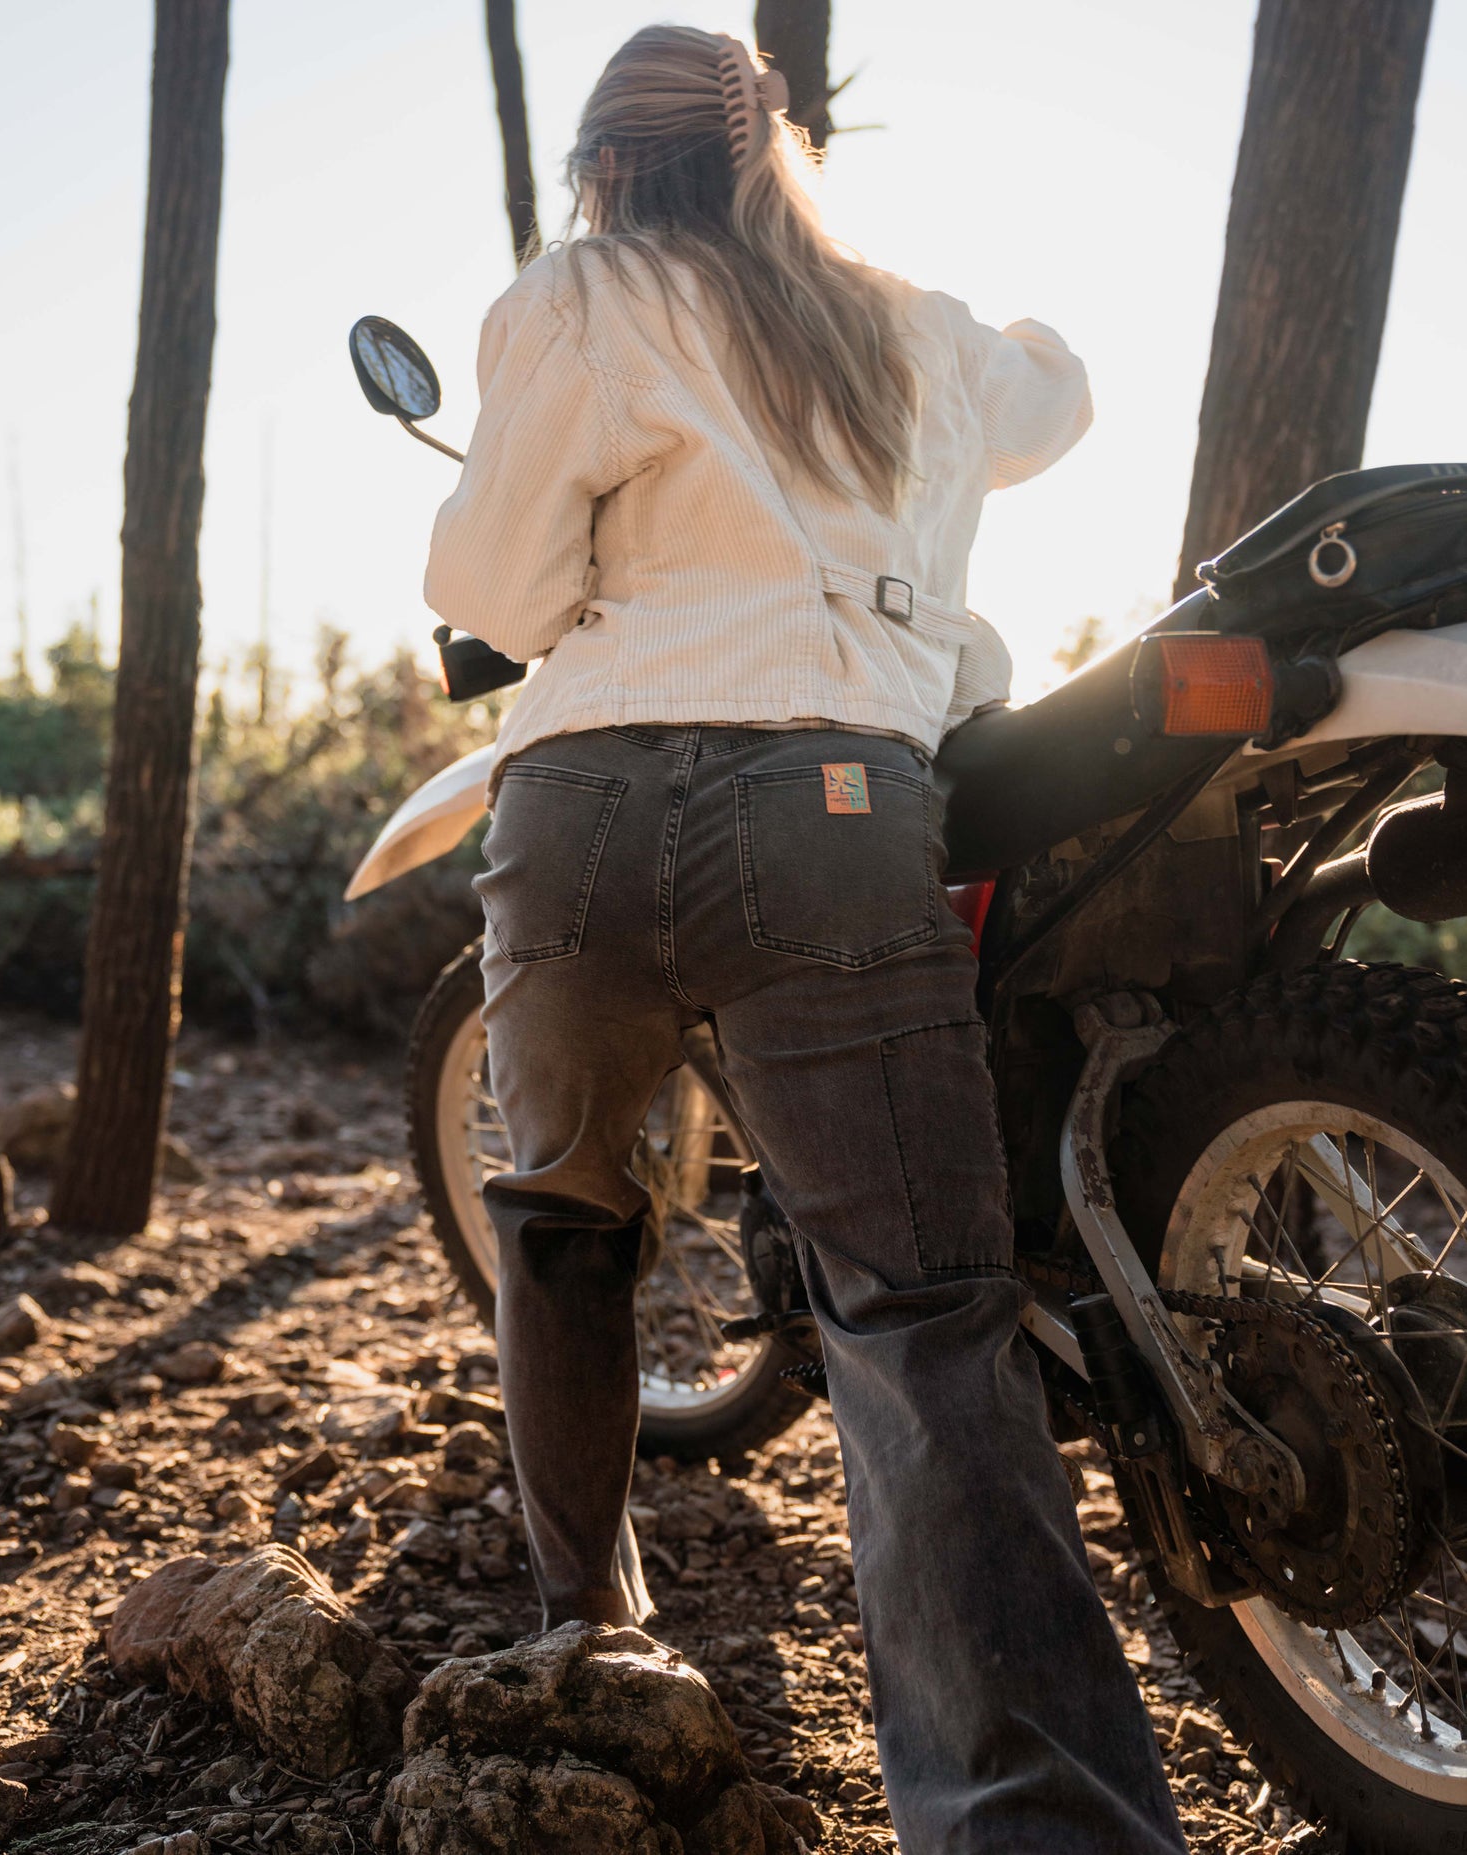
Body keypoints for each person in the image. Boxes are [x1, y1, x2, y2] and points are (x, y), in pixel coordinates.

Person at [424, 25, 1186, 1855]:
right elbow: (1062, 395)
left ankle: (591, 1641)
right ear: (778, 156)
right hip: (836, 814)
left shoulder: (578, 299)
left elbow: (491, 594)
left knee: (561, 1219)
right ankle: (1032, 1826)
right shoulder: (906, 326)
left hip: (582, 812)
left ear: (604, 169)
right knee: (921, 1317)